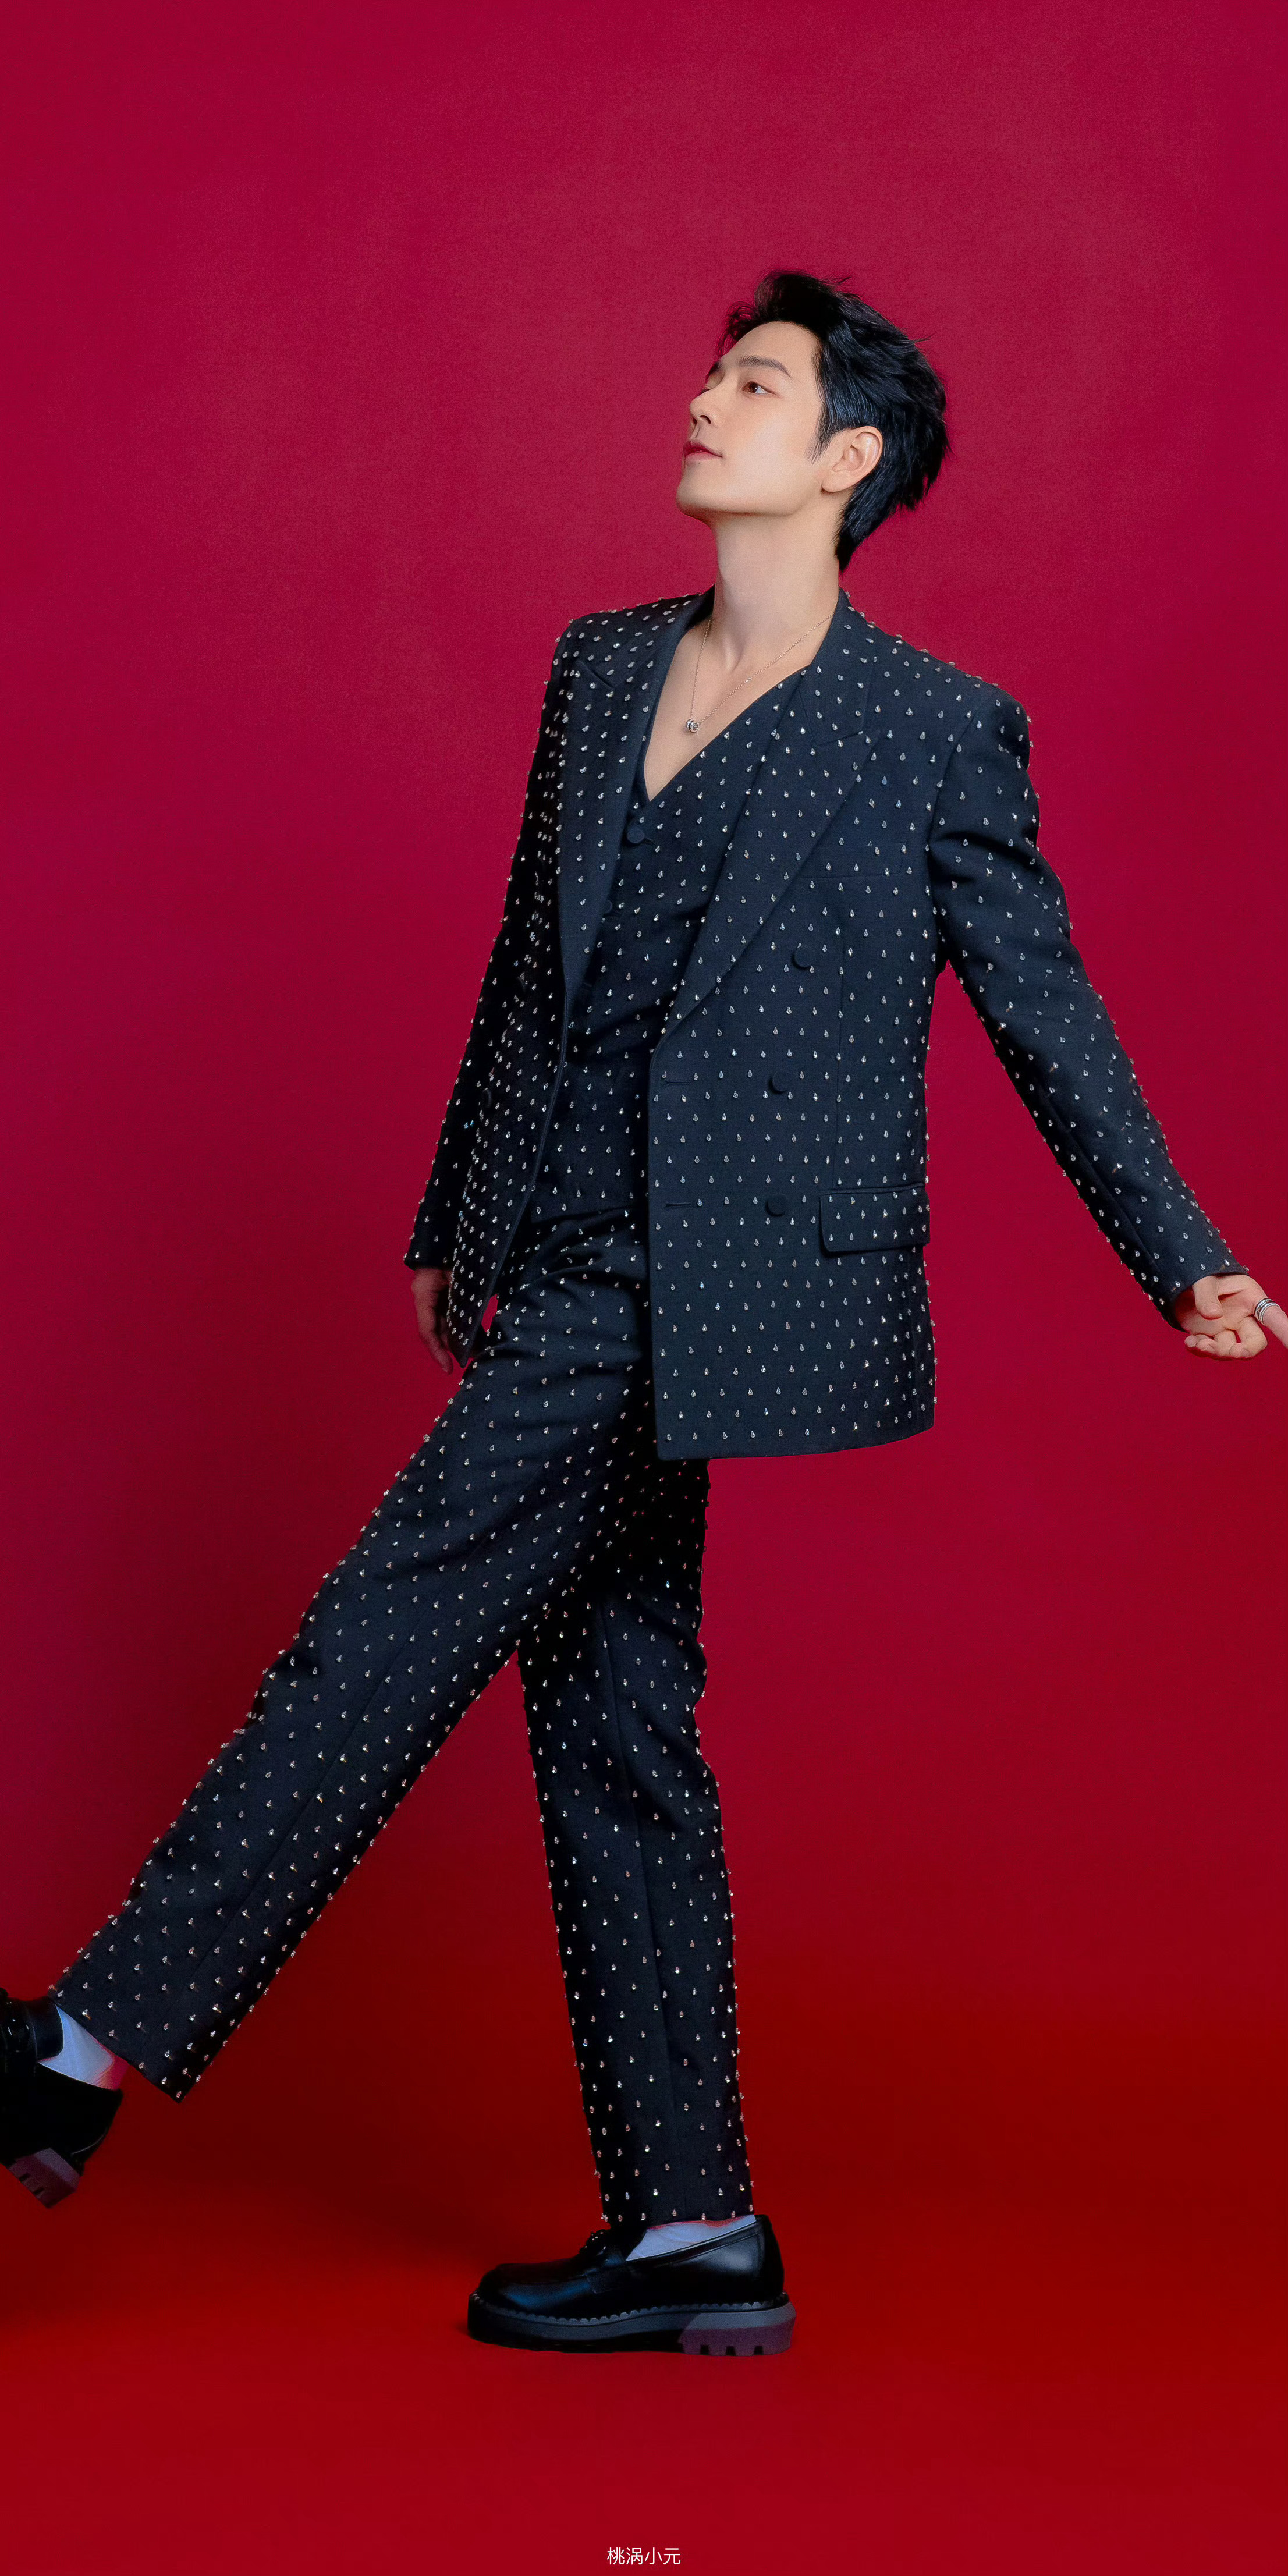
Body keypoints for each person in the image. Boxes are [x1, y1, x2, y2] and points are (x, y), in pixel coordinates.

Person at [2, 271, 1282, 2359]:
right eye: (713, 371)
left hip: (727, 1285)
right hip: (564, 1245)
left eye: (754, 383)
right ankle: (694, 2223)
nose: (703, 399)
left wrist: (1177, 1248)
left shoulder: (933, 729)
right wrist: (461, 1206)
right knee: (617, 1727)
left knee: (386, 1620)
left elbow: (1043, 998)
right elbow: (533, 963)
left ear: (846, 458)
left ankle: (83, 2043)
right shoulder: (603, 669)